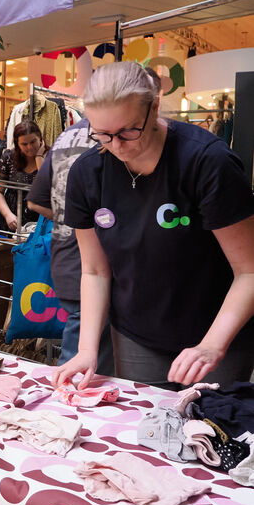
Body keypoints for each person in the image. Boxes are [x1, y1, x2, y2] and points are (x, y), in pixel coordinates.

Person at [52, 62, 254, 391]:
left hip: (217, 329)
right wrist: (87, 350)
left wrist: (212, 345)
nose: (116, 145)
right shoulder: (88, 174)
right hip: (137, 335)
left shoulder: (207, 162)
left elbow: (250, 270)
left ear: (155, 106)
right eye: (102, 134)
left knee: (213, 429)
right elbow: (94, 271)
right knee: (144, 429)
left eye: (129, 131)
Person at [27, 119, 115, 376]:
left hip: (68, 259)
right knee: (82, 372)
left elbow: (35, 201)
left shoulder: (67, 135)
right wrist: (83, 223)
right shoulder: (115, 133)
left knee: (88, 364)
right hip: (90, 265)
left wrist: (74, 220)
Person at [0, 120, 47, 232]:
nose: (30, 147)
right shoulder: (9, 157)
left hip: (42, 223)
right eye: (24, 144)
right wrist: (8, 215)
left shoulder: (51, 156)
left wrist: (39, 157)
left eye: (33, 142)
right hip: (13, 221)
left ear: (40, 139)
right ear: (17, 144)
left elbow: (47, 185)